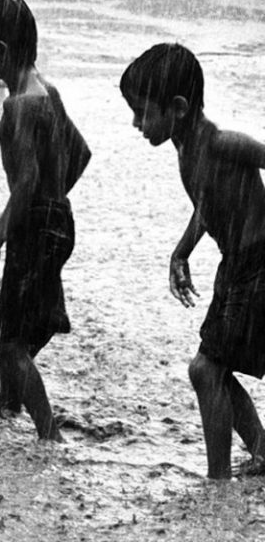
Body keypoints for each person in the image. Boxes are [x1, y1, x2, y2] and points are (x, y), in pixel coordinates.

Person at [121, 43, 265, 479]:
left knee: (207, 369)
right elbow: (208, 203)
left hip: (257, 265)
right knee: (211, 370)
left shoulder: (221, 143)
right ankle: (260, 450)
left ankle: (219, 479)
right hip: (235, 267)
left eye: (144, 112)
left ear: (178, 108)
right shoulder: (187, 148)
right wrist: (181, 251)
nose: (136, 123)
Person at [0, 0, 90, 442]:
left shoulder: (18, 107)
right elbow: (80, 154)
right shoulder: (46, 91)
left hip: (34, 225)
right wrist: (54, 202)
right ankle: (8, 404)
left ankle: (48, 434)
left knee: (12, 341)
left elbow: (25, 184)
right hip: (58, 221)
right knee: (7, 323)